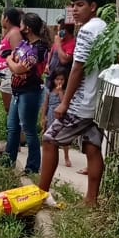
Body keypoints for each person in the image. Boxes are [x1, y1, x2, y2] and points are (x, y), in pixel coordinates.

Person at [40, 0, 108, 207]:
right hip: (99, 102)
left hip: (82, 102)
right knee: (92, 147)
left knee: (49, 139)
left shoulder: (87, 31)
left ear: (93, 6)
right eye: (73, 6)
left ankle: (40, 195)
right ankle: (91, 200)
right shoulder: (104, 28)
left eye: (80, 5)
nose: (75, 10)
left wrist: (65, 103)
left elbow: (78, 68)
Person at [5, 12, 48, 174]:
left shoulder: (39, 48)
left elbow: (18, 68)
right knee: (12, 127)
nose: (19, 27)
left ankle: (33, 166)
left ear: (28, 28)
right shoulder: (25, 44)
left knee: (29, 129)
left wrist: (9, 61)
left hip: (30, 92)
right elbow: (15, 61)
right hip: (18, 91)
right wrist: (12, 62)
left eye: (22, 24)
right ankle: (8, 162)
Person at [44, 19, 77, 170]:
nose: (58, 32)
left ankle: (65, 155)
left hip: (63, 82)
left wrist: (58, 44)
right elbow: (52, 55)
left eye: (60, 30)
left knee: (62, 127)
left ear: (66, 31)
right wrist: (47, 64)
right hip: (51, 81)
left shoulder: (71, 44)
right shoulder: (58, 42)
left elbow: (64, 59)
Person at [0, 8, 24, 113]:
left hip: (9, 74)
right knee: (9, 109)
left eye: (2, 17)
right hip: (4, 75)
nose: (0, 20)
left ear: (6, 18)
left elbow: (18, 55)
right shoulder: (9, 33)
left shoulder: (15, 33)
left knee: (11, 109)